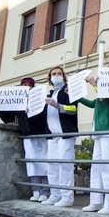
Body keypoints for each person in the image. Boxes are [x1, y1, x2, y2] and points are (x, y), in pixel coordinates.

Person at [0, 77, 49, 202]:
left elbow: (44, 116)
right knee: (32, 164)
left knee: (45, 164)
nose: (27, 87)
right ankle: (36, 191)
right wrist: (0, 105)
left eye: (29, 85)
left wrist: (32, 109)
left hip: (42, 136)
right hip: (28, 136)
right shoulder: (18, 102)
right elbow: (7, 118)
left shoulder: (40, 99)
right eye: (24, 85)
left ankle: (45, 191)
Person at [80, 65, 109, 215]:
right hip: (99, 132)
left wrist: (95, 85)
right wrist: (77, 96)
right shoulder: (101, 89)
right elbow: (95, 103)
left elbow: (108, 98)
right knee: (97, 168)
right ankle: (96, 201)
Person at [41, 66, 78, 207]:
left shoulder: (68, 90)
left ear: (63, 76)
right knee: (52, 167)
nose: (56, 76)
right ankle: (55, 195)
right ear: (50, 78)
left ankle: (67, 198)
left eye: (59, 73)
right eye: (53, 74)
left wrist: (58, 105)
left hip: (65, 135)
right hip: (52, 136)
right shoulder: (50, 93)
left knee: (65, 167)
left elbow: (73, 109)